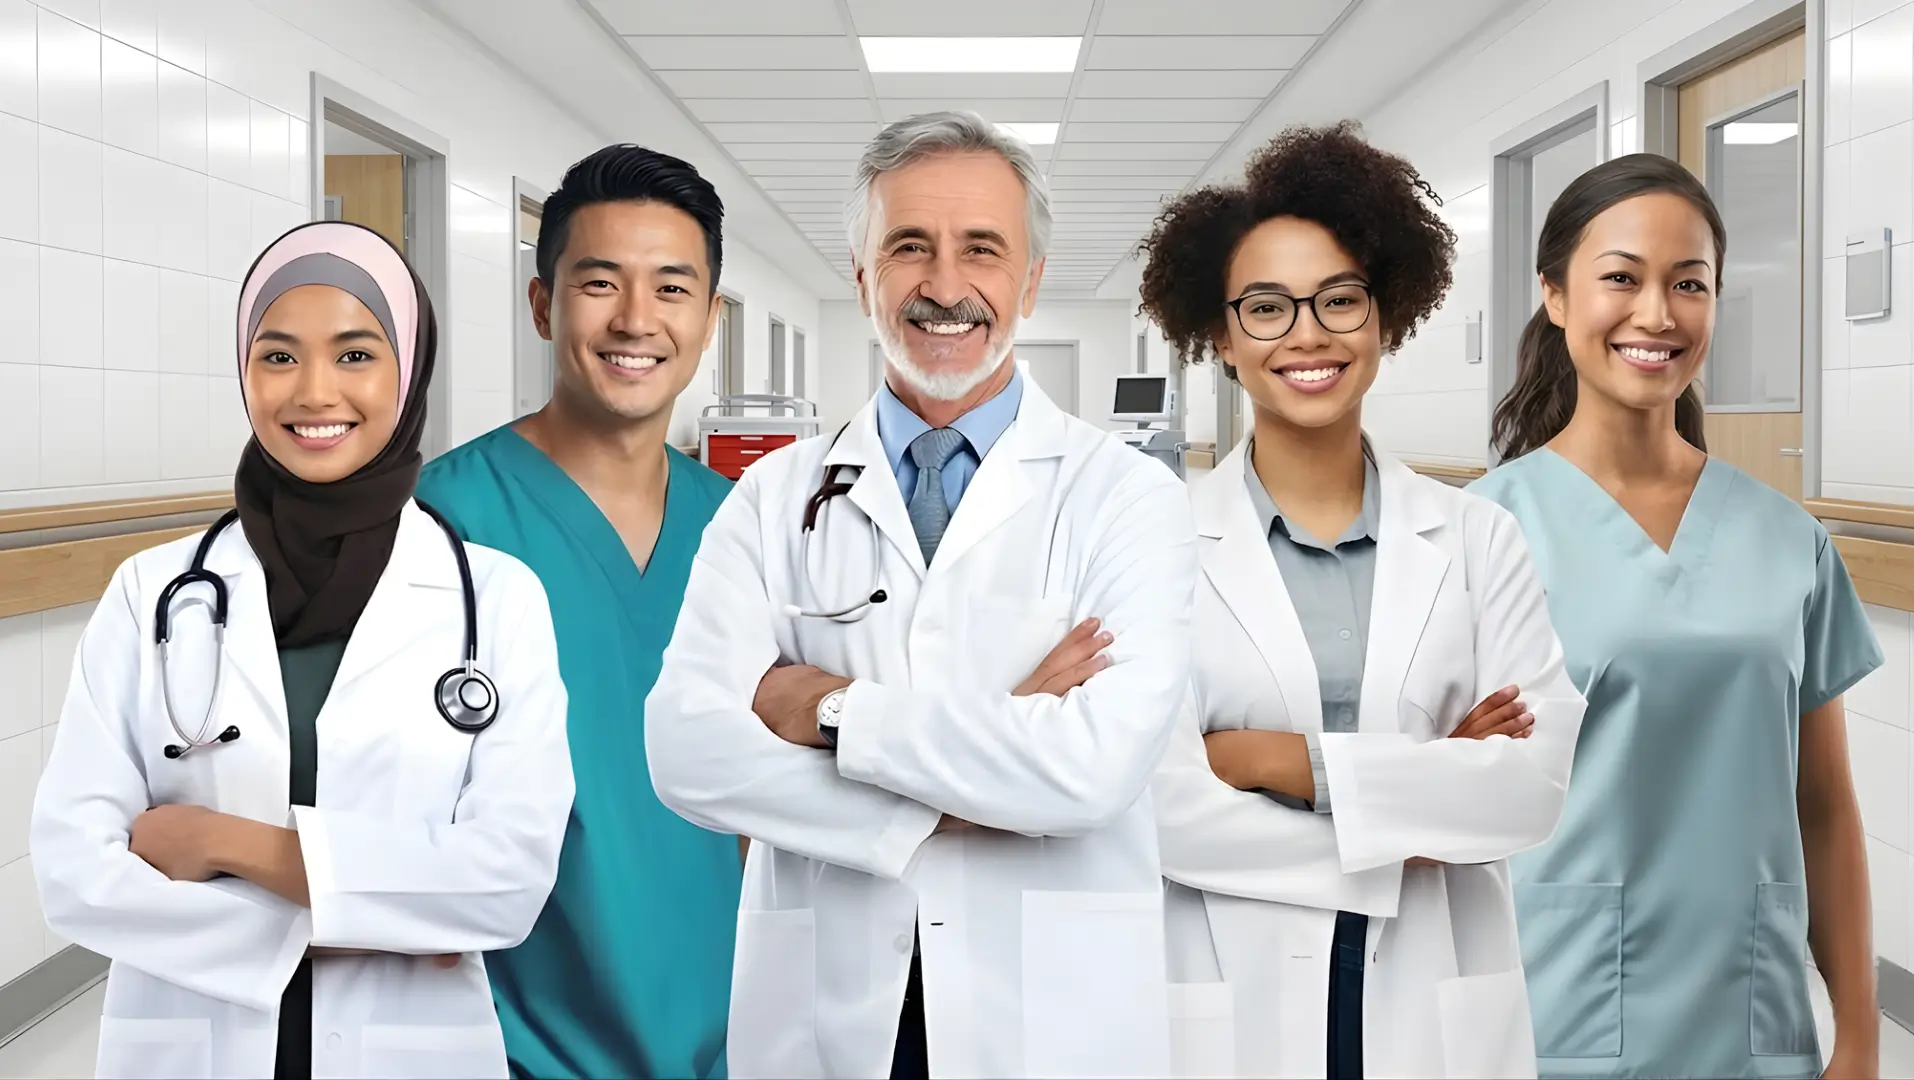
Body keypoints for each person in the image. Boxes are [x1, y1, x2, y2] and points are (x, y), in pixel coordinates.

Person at [644, 110, 1198, 1080]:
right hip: (826, 1015)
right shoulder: (771, 500)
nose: (946, 286)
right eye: (910, 247)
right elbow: (686, 751)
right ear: (862, 277)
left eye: (982, 249)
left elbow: (1092, 771)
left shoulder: (1128, 499)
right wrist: (957, 787)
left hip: (1049, 1018)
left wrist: (825, 711)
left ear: (1028, 280)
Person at [29, 220, 573, 1080]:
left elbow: (507, 884)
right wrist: (372, 914)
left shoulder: (496, 599)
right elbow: (73, 870)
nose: (314, 392)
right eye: (278, 356)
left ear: (410, 368)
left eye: (356, 354)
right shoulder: (151, 593)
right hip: (190, 1047)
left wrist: (222, 845)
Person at [1137, 122, 1586, 1080]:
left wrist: (1274, 762)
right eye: (1265, 308)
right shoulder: (1157, 545)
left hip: (1436, 995)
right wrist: (1423, 788)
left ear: (1386, 316)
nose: (1308, 333)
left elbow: (1528, 787)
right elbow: (1160, 808)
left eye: (1340, 299)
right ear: (1219, 336)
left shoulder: (1476, 539)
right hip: (1229, 992)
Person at [1468, 153, 1882, 1080]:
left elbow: (1824, 805)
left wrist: (1859, 1035)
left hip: (1752, 1012)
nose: (1657, 314)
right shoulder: (1480, 533)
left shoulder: (1787, 541)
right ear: (1556, 296)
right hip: (1551, 1009)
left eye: (1688, 284)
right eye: (1621, 278)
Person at [415, 144, 742, 1080]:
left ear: (709, 318)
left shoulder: (739, 528)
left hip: (728, 1033)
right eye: (600, 282)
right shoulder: (443, 522)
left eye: (672, 289)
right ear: (543, 303)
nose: (636, 320)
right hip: (510, 1046)